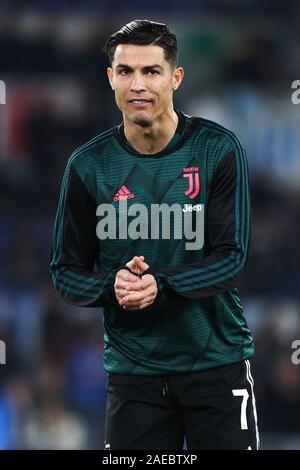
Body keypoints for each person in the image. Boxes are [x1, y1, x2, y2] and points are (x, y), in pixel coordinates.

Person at [50, 19, 259, 450]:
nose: (137, 84)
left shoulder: (217, 149)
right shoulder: (88, 166)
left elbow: (231, 258)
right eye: (125, 71)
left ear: (176, 77)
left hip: (216, 364)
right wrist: (113, 285)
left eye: (151, 71)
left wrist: (159, 286)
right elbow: (65, 271)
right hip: (134, 375)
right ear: (110, 78)